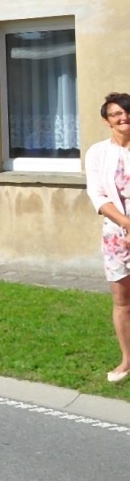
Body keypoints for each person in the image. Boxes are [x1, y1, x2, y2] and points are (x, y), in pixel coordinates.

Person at [85, 92, 130, 384]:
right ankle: (127, 360)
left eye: (127, 112)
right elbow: (97, 195)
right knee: (122, 301)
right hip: (116, 234)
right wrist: (127, 224)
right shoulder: (97, 153)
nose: (123, 117)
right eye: (116, 114)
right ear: (106, 120)